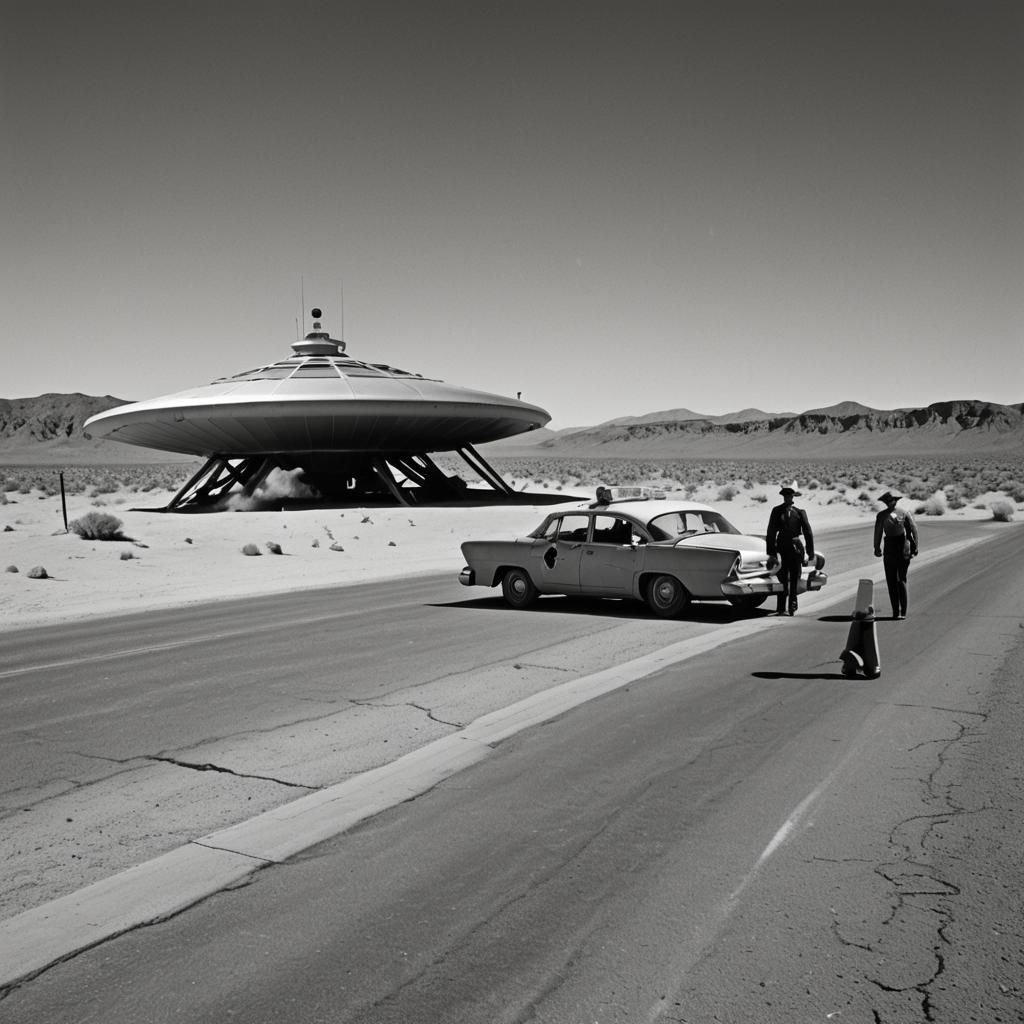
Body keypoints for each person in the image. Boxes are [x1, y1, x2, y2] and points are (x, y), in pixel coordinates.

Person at [766, 485, 815, 615]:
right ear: (783, 497)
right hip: (781, 547)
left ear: (793, 497)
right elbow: (771, 532)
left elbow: (808, 532)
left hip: (795, 548)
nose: (788, 498)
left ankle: (793, 604)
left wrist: (810, 552)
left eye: (790, 496)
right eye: (786, 496)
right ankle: (781, 607)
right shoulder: (777, 511)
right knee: (781, 577)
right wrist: (771, 553)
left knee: (794, 576)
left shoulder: (799, 513)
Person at [873, 491, 918, 619]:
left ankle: (898, 612)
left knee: (894, 579)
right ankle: (899, 612)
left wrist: (876, 547)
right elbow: (913, 529)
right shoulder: (902, 513)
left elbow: (878, 532)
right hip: (899, 546)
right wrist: (915, 546)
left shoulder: (884, 515)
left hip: (895, 546)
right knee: (898, 579)